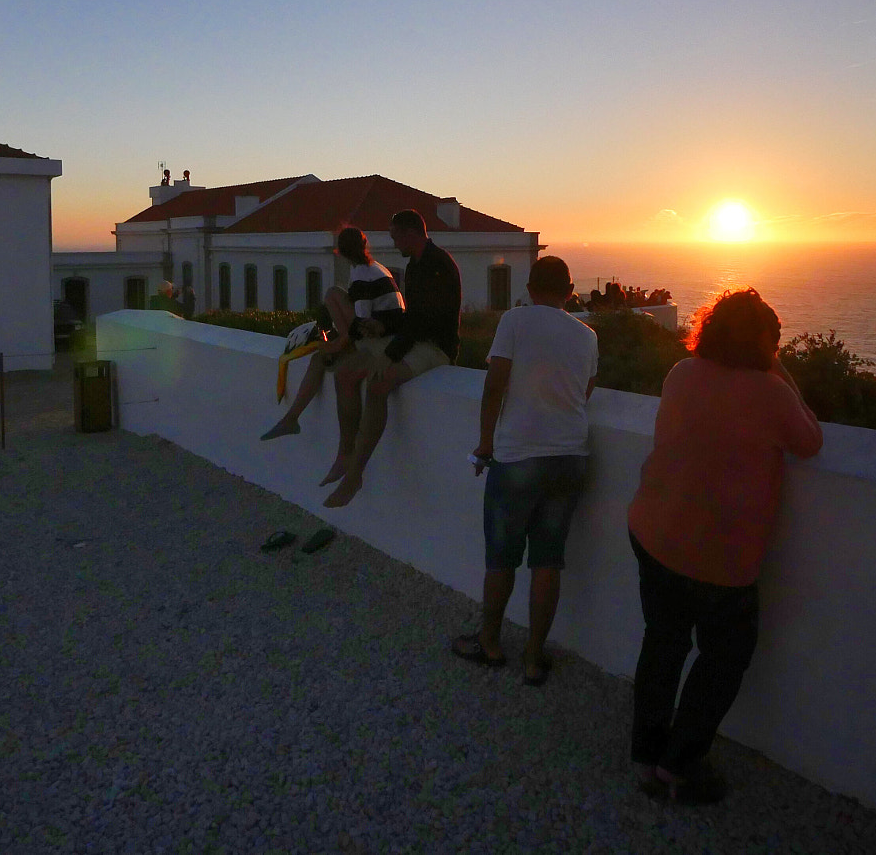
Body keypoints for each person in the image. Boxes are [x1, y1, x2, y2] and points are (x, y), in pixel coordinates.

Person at [626, 287, 821, 804]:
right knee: (724, 659)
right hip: (718, 561)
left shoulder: (681, 373)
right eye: (773, 341)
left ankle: (646, 754)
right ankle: (680, 765)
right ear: (764, 343)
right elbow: (810, 441)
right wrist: (779, 371)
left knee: (663, 644)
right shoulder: (771, 392)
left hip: (654, 531)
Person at [450, 256, 596, 686]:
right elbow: (583, 392)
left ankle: (490, 643)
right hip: (570, 457)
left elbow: (495, 382)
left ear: (530, 288)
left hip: (518, 459)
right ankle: (534, 658)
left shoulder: (514, 321)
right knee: (548, 560)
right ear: (570, 291)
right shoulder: (587, 336)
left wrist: (485, 443)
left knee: (501, 559)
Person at [320, 209, 460, 508]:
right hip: (415, 340)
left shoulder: (437, 265)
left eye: (396, 236)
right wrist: (385, 328)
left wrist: (391, 353)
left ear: (411, 233)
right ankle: (346, 452)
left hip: (435, 347)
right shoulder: (416, 266)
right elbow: (413, 318)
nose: (394, 243)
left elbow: (427, 323)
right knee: (345, 374)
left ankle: (355, 474)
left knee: (378, 384)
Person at [260, 226, 402, 441]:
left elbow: (362, 323)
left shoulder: (363, 273)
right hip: (377, 335)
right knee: (319, 359)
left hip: (379, 339)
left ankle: (296, 419)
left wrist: (339, 343)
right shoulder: (372, 268)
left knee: (332, 294)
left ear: (341, 251)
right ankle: (291, 418)